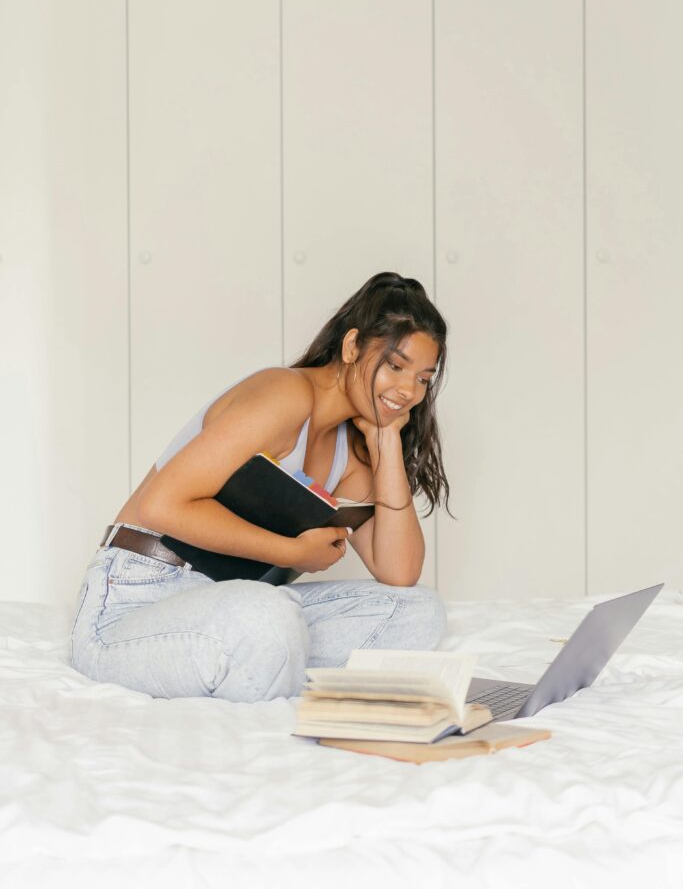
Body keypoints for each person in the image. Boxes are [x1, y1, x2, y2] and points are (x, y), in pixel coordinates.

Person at [69, 272, 454, 702]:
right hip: (133, 603)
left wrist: (384, 442)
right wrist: (292, 553)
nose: (407, 390)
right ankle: (264, 660)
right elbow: (161, 505)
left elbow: (398, 571)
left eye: (423, 378)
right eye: (395, 366)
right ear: (351, 347)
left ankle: (262, 660)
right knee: (270, 614)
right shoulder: (285, 394)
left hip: (232, 604)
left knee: (419, 612)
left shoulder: (353, 449)